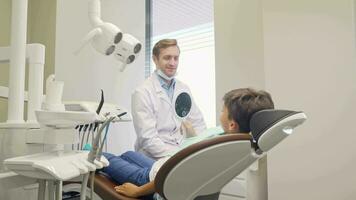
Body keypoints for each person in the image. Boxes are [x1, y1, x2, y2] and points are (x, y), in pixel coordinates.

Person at [102, 88, 275, 199]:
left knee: (102, 158)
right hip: (159, 167)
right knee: (128, 154)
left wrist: (138, 191)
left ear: (232, 124)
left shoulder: (216, 151)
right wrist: (192, 135)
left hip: (153, 180)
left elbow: (171, 176)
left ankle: (88, 153)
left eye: (223, 110)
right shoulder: (237, 140)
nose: (220, 112)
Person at [131, 39, 206, 159]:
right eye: (167, 58)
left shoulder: (183, 88)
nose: (172, 63)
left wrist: (200, 149)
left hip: (181, 152)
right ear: (155, 59)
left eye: (176, 58)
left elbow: (198, 123)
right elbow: (148, 138)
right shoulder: (142, 92)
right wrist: (174, 158)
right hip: (154, 157)